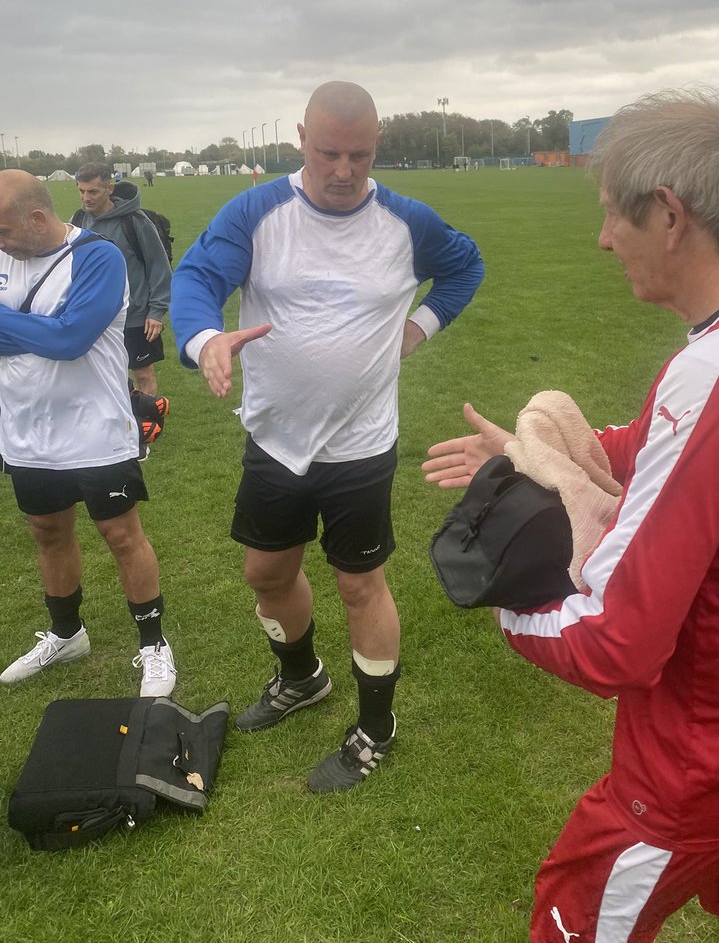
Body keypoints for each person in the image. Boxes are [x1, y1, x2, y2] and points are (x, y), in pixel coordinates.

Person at [423, 89, 719, 943]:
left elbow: (615, 641)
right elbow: (680, 452)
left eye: (610, 216)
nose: (602, 240)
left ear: (669, 214)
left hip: (714, 752)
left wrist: (508, 602)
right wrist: (536, 454)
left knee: (571, 915)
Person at [170, 80, 484, 792]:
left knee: (359, 583)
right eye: (328, 153)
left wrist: (420, 325)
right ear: (300, 143)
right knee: (266, 575)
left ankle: (377, 726)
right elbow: (197, 278)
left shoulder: (407, 222)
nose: (343, 170)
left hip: (362, 446)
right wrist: (205, 338)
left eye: (360, 155)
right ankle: (301, 678)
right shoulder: (256, 211)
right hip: (276, 439)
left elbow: (465, 266)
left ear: (377, 147)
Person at [0, 171, 177, 696]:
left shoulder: (97, 256)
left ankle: (153, 645)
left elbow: (72, 338)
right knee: (47, 532)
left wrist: (36, 334)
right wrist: (42, 333)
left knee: (122, 535)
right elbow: (53, 334)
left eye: (3, 229)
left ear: (36, 218)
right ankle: (66, 633)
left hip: (95, 428)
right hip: (25, 429)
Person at [73, 163, 171, 398]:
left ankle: (147, 429)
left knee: (143, 374)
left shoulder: (135, 221)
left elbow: (159, 265)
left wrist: (156, 311)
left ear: (109, 188)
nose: (86, 198)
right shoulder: (78, 220)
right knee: (103, 373)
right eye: (81, 191)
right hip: (95, 314)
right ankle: (120, 424)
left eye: (93, 191)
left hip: (135, 315)